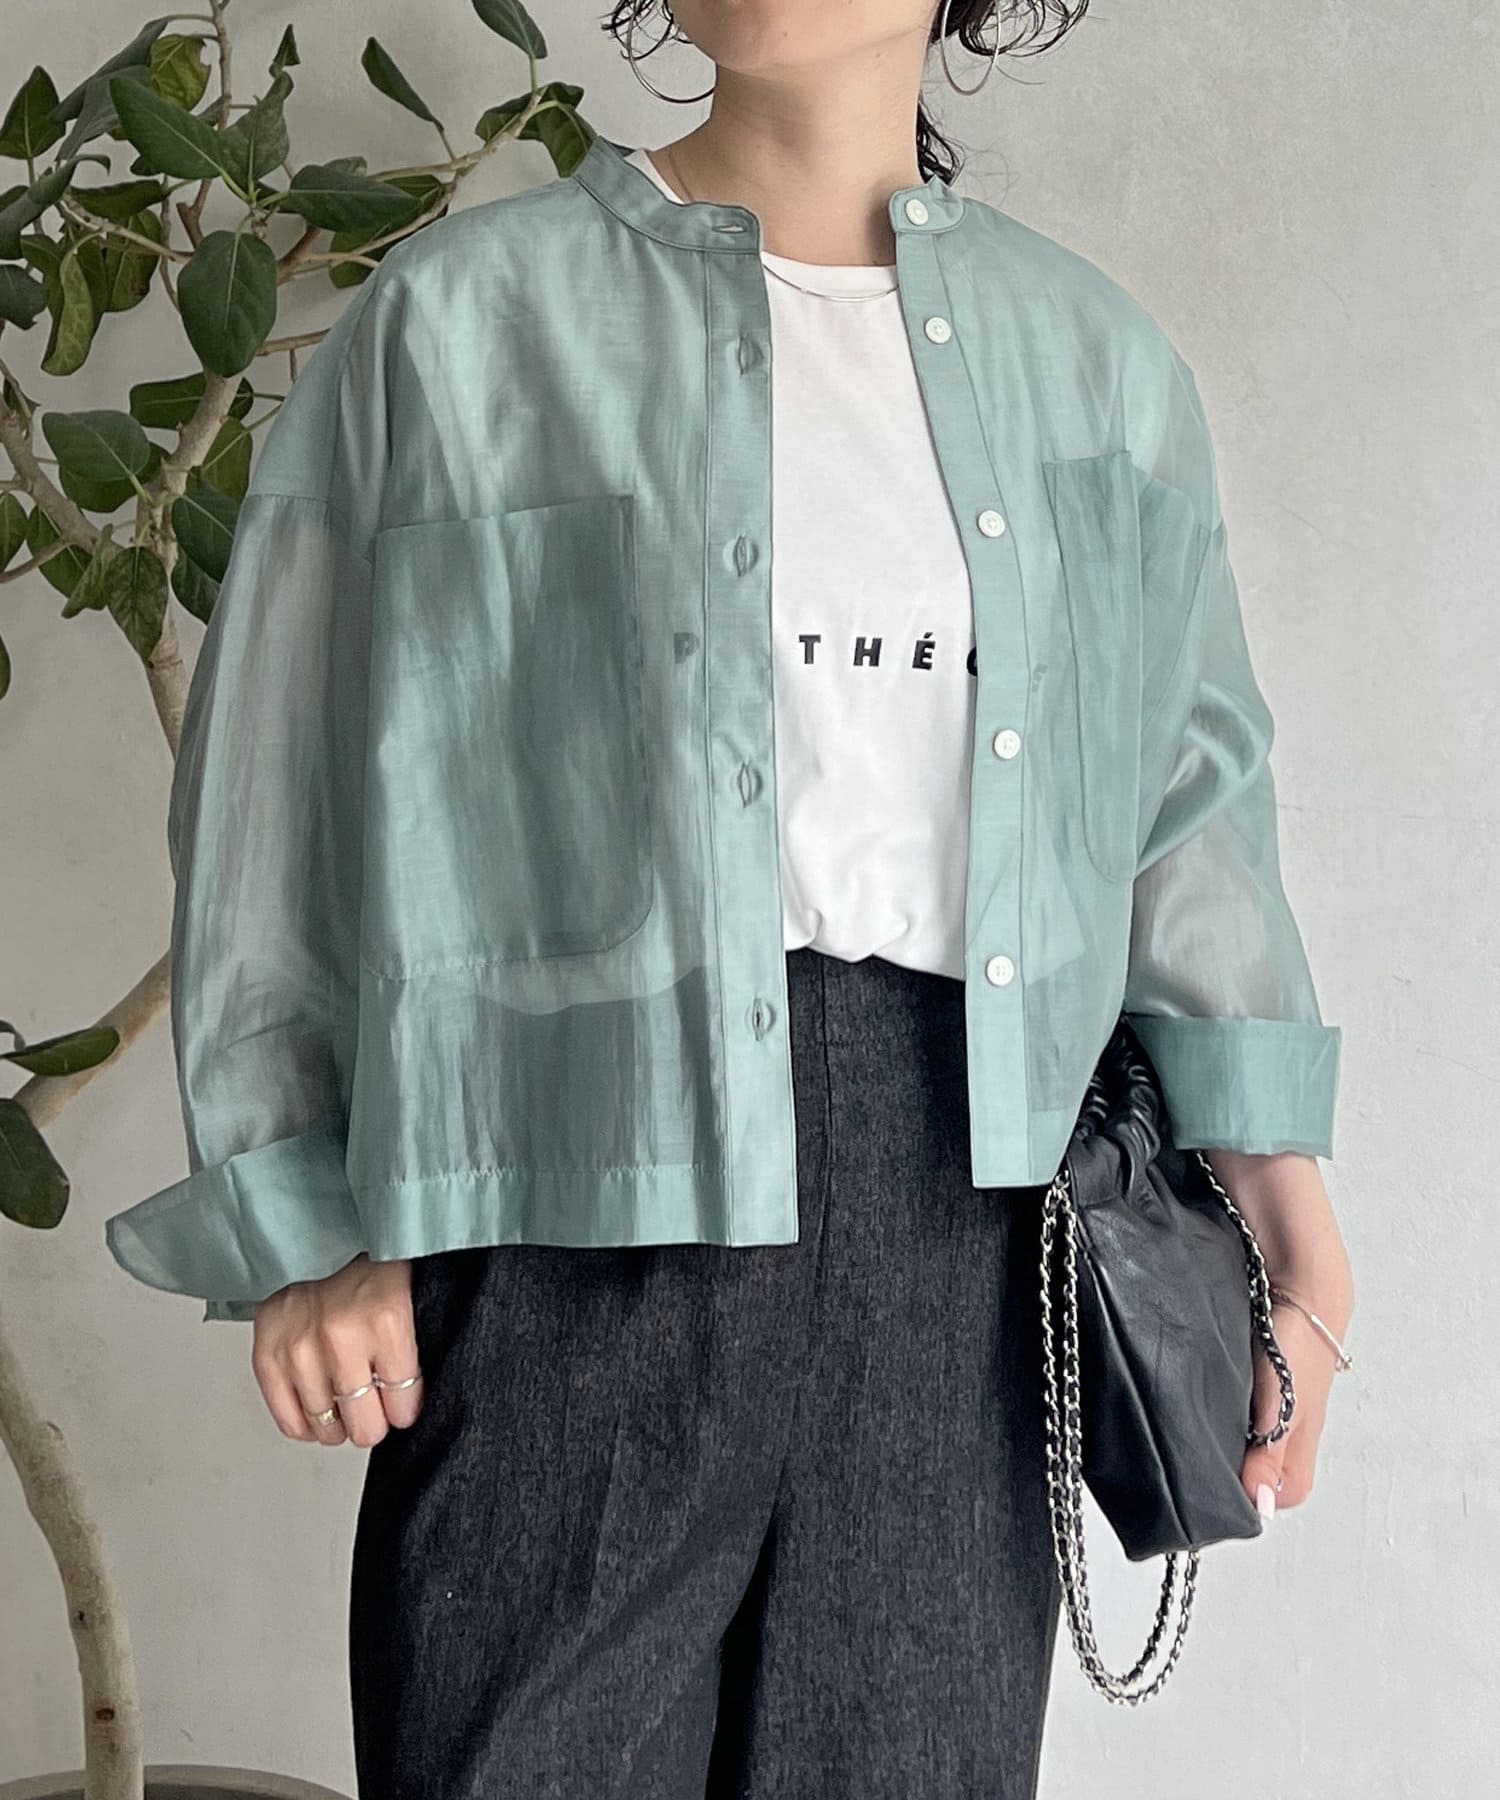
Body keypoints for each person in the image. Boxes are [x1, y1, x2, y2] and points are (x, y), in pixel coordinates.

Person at [104, 2, 1356, 1794]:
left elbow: (1189, 805)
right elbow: (275, 794)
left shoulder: (1100, 366)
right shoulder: (456, 325)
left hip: (969, 1247)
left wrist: (1285, 1202)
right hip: (553, 1224)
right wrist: (298, 1215)